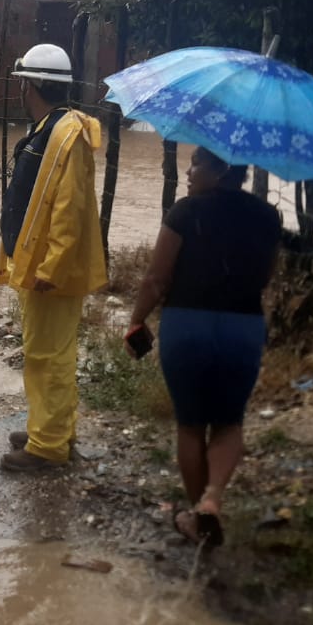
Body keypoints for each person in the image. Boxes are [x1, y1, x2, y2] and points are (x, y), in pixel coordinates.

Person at [126, 147, 282, 546]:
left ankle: (198, 516)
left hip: (187, 326)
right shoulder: (267, 216)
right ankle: (212, 498)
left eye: (197, 164)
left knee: (191, 425)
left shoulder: (185, 211)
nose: (189, 171)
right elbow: (265, 277)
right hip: (243, 328)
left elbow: (156, 280)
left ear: (222, 168)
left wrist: (137, 320)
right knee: (229, 422)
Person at [0, 43, 108, 473]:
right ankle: (50, 429)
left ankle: (48, 447)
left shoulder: (66, 135)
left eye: (23, 82)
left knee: (51, 357)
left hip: (50, 272)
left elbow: (69, 208)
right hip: (37, 265)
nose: (20, 90)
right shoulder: (48, 129)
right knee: (43, 353)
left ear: (32, 85)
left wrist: (52, 268)